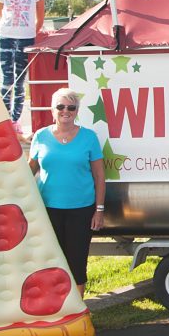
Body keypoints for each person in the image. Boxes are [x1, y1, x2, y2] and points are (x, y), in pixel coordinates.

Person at [29, 88, 105, 296]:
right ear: (52, 110)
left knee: (77, 260)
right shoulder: (41, 136)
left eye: (71, 107)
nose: (66, 111)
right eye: (60, 106)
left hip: (81, 209)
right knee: (51, 260)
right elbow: (30, 171)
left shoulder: (89, 137)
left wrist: (99, 210)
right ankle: (55, 305)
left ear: (77, 111)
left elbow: (99, 176)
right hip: (48, 209)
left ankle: (78, 308)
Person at [0, 0, 45, 135]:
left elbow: (40, 17)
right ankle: (3, 120)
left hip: (26, 37)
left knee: (19, 80)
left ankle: (15, 120)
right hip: (5, 36)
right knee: (6, 79)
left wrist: (32, 31)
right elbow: (2, 14)